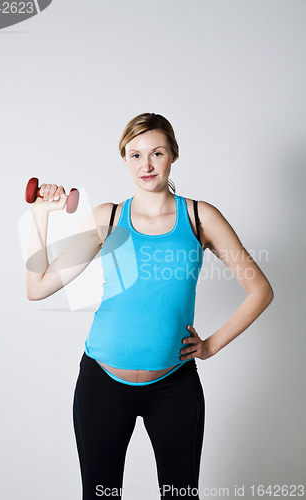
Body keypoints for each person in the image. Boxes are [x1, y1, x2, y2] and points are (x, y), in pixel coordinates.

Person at [25, 113, 274, 499]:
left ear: (173, 154)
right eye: (135, 154)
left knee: (180, 495)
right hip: (101, 383)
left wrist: (210, 346)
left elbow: (260, 290)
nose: (146, 165)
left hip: (174, 387)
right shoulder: (107, 217)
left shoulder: (199, 217)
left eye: (157, 153)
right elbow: (37, 287)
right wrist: (40, 216)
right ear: (124, 158)